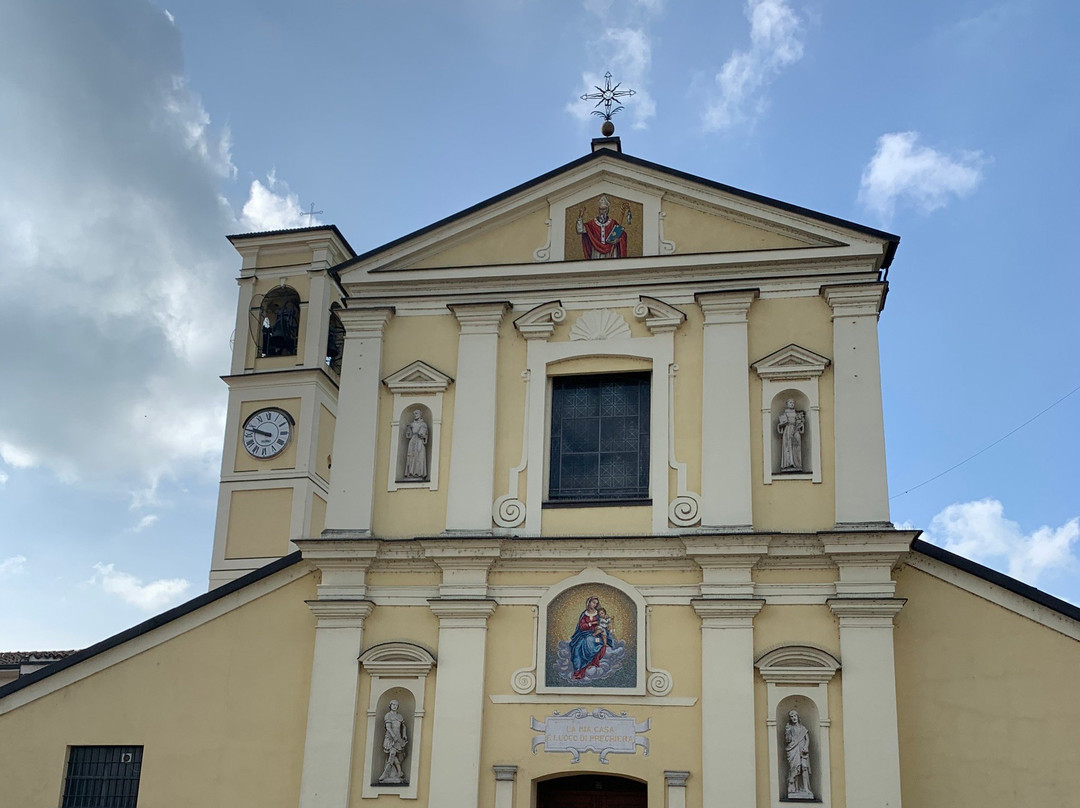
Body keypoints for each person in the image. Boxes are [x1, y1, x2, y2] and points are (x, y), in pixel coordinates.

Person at [568, 596, 613, 679]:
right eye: (593, 602)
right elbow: (581, 626)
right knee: (577, 647)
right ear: (589, 602)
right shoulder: (584, 614)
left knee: (590, 641)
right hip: (584, 634)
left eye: (596, 603)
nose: (594, 605)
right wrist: (591, 623)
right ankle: (578, 671)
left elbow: (604, 622)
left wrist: (606, 621)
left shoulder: (598, 613)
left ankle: (589, 664)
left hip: (596, 635)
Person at [378, 699, 409, 784]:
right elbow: (388, 727)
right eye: (393, 705)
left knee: (395, 755)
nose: (395, 706)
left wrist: (404, 735)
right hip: (390, 737)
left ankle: (399, 772)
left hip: (398, 737)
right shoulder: (388, 715)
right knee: (392, 754)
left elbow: (404, 727)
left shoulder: (400, 716)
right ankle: (386, 773)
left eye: (396, 705)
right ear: (390, 705)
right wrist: (393, 736)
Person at [785, 710, 813, 798]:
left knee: (804, 768)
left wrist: (805, 747)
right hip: (793, 750)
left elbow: (807, 739)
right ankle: (794, 789)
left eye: (794, 716)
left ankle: (806, 788)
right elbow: (788, 740)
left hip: (802, 750)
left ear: (798, 716)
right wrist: (787, 731)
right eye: (791, 717)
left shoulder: (803, 728)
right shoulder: (790, 728)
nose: (793, 718)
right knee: (795, 768)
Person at [777, 399, 805, 472]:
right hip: (787, 430)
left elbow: (801, 425)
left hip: (795, 430)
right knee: (787, 446)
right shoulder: (784, 414)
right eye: (790, 402)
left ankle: (797, 464)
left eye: (793, 402)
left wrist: (800, 424)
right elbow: (780, 425)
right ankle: (788, 463)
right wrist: (781, 424)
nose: (792, 404)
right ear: (787, 404)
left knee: (797, 446)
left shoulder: (797, 414)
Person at [403, 410, 429, 479]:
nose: (415, 415)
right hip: (412, 441)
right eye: (414, 414)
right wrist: (408, 429)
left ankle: (419, 473)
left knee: (419, 457)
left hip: (419, 442)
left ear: (420, 414)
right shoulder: (412, 424)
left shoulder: (423, 424)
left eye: (416, 413)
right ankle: (411, 473)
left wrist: (422, 434)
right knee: (411, 456)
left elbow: (425, 435)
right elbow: (408, 436)